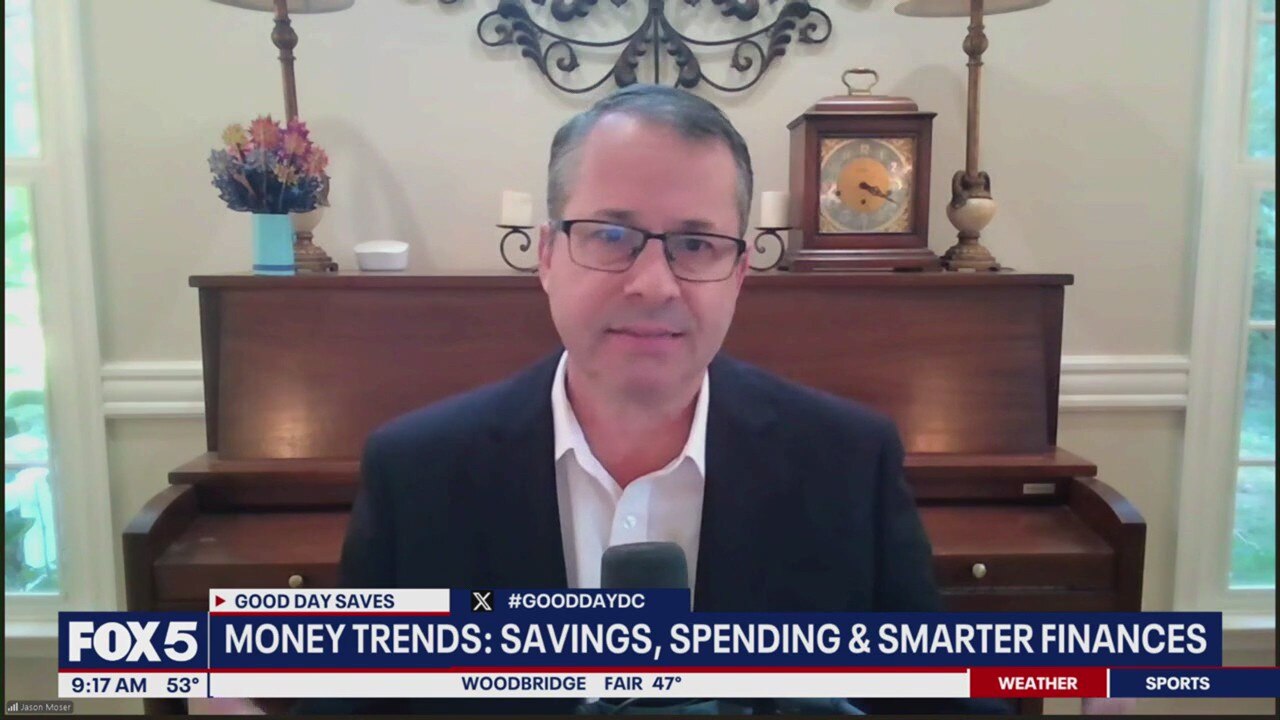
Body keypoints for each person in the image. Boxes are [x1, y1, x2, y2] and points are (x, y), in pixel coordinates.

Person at [294, 84, 1011, 716]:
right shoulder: (414, 473)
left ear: (739, 274)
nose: (653, 284)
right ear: (546, 256)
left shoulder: (848, 463)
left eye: (696, 245)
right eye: (611, 235)